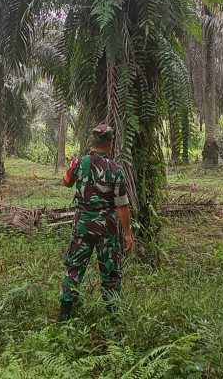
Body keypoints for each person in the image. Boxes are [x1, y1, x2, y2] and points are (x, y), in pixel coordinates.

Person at [59, 123, 134, 322]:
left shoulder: (79, 163)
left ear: (92, 142)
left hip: (82, 225)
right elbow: (121, 206)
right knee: (110, 270)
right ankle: (113, 314)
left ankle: (64, 314)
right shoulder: (115, 170)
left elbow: (66, 181)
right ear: (111, 143)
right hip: (107, 229)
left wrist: (74, 168)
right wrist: (127, 232)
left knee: (74, 267)